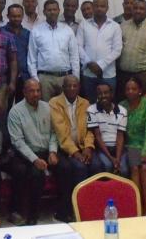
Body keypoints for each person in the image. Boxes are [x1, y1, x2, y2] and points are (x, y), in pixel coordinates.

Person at [7, 79, 59, 225]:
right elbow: (18, 142)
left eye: (38, 91)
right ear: (24, 92)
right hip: (25, 154)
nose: (35, 94)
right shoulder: (16, 112)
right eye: (31, 91)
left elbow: (54, 133)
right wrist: (35, 160)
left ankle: (65, 210)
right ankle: (32, 217)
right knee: (36, 174)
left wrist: (53, 151)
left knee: (66, 167)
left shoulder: (47, 108)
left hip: (47, 151)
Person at [49, 75, 93, 222]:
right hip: (64, 149)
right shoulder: (54, 103)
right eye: (69, 86)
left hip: (82, 148)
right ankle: (73, 209)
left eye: (75, 86)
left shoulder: (86, 103)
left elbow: (90, 129)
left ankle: (89, 207)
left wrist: (88, 147)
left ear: (79, 87)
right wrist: (75, 152)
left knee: (97, 165)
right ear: (63, 88)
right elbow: (61, 132)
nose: (72, 88)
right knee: (77, 168)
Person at [119, 79, 146, 216]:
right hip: (132, 145)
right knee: (135, 168)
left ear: (140, 90)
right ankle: (138, 208)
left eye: (134, 89)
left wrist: (145, 151)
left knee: (145, 167)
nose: (130, 91)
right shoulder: (121, 106)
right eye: (128, 89)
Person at [28, 0, 80, 101]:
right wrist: (35, 79)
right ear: (44, 12)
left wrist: (75, 78)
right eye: (49, 10)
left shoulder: (67, 30)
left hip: (65, 78)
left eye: (54, 9)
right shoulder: (36, 31)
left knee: (66, 108)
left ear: (59, 11)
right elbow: (32, 57)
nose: (52, 12)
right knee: (45, 110)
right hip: (44, 79)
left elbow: (74, 56)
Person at [77, 0, 122, 103]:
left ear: (107, 8)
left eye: (102, 6)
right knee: (90, 104)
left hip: (108, 74)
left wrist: (101, 65)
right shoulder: (84, 24)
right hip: (88, 73)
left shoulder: (115, 26)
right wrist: (89, 63)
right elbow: (78, 46)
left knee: (108, 104)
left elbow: (117, 49)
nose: (99, 8)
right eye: (96, 6)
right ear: (92, 7)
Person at [87, 83, 129, 176]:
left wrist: (117, 158)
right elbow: (97, 136)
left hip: (125, 148)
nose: (103, 96)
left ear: (112, 94)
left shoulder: (123, 110)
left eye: (106, 93)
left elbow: (120, 135)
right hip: (102, 148)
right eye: (100, 93)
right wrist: (111, 158)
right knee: (107, 166)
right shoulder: (91, 109)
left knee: (124, 169)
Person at [2, 4, 30, 103]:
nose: (16, 19)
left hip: (24, 76)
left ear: (22, 16)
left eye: (19, 16)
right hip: (6, 77)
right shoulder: (1, 32)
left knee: (22, 109)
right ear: (8, 16)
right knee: (5, 108)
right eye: (13, 16)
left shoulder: (27, 33)